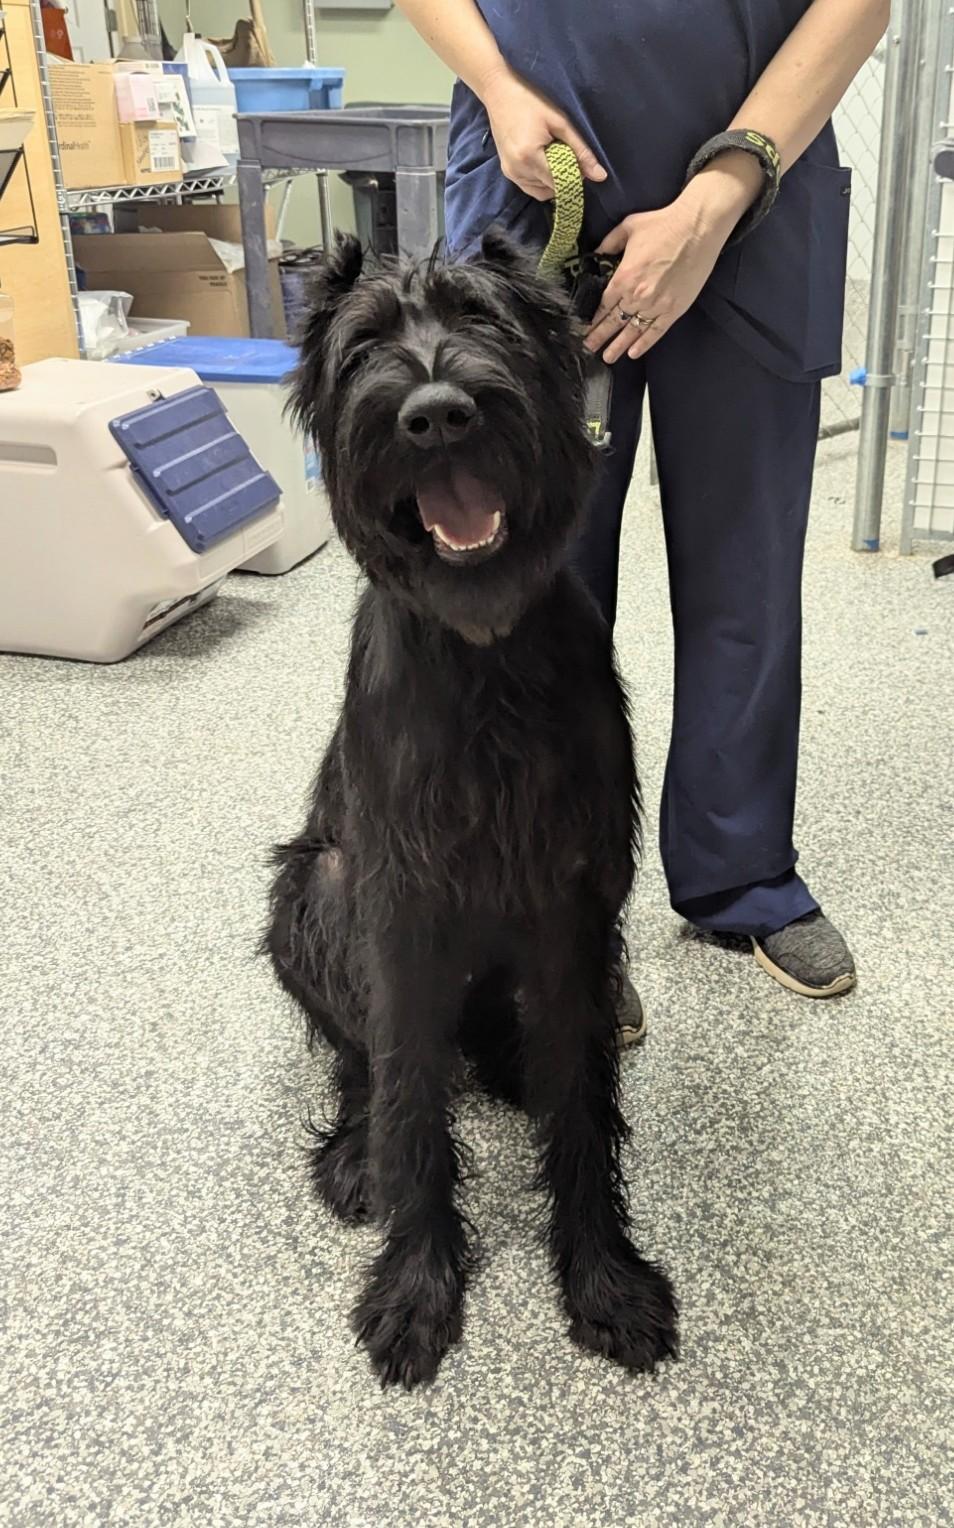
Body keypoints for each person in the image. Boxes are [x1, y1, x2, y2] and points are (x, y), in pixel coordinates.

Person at [396, 0, 890, 1008]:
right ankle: (549, 903)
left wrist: (720, 195)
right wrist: (496, 84)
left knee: (746, 572)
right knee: (528, 586)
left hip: (759, 197)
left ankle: (741, 874)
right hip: (538, 189)